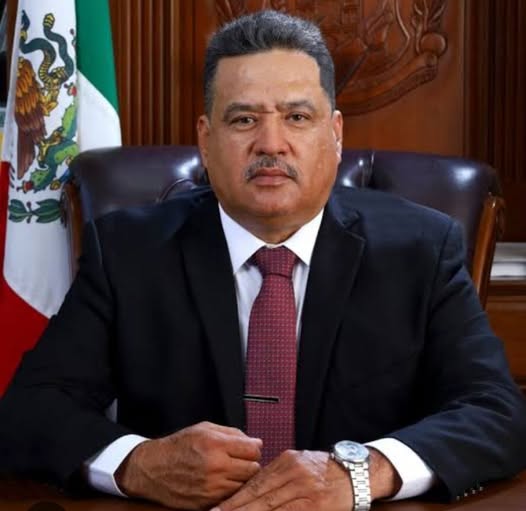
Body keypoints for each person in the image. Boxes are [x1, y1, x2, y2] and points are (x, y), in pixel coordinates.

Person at [1, 9, 525, 511]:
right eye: (244, 119)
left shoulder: (421, 249)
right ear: (206, 140)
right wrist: (138, 463)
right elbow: (29, 411)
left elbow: (497, 413)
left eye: (297, 117)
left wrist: (362, 474)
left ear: (335, 135)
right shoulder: (127, 252)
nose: (271, 144)